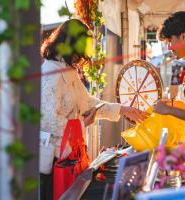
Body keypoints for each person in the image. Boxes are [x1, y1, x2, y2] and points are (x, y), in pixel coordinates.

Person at [40, 19, 148, 200]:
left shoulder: (68, 69)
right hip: (54, 162)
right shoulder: (50, 73)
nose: (80, 59)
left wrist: (122, 109)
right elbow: (47, 120)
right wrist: (81, 124)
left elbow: (88, 103)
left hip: (69, 155)